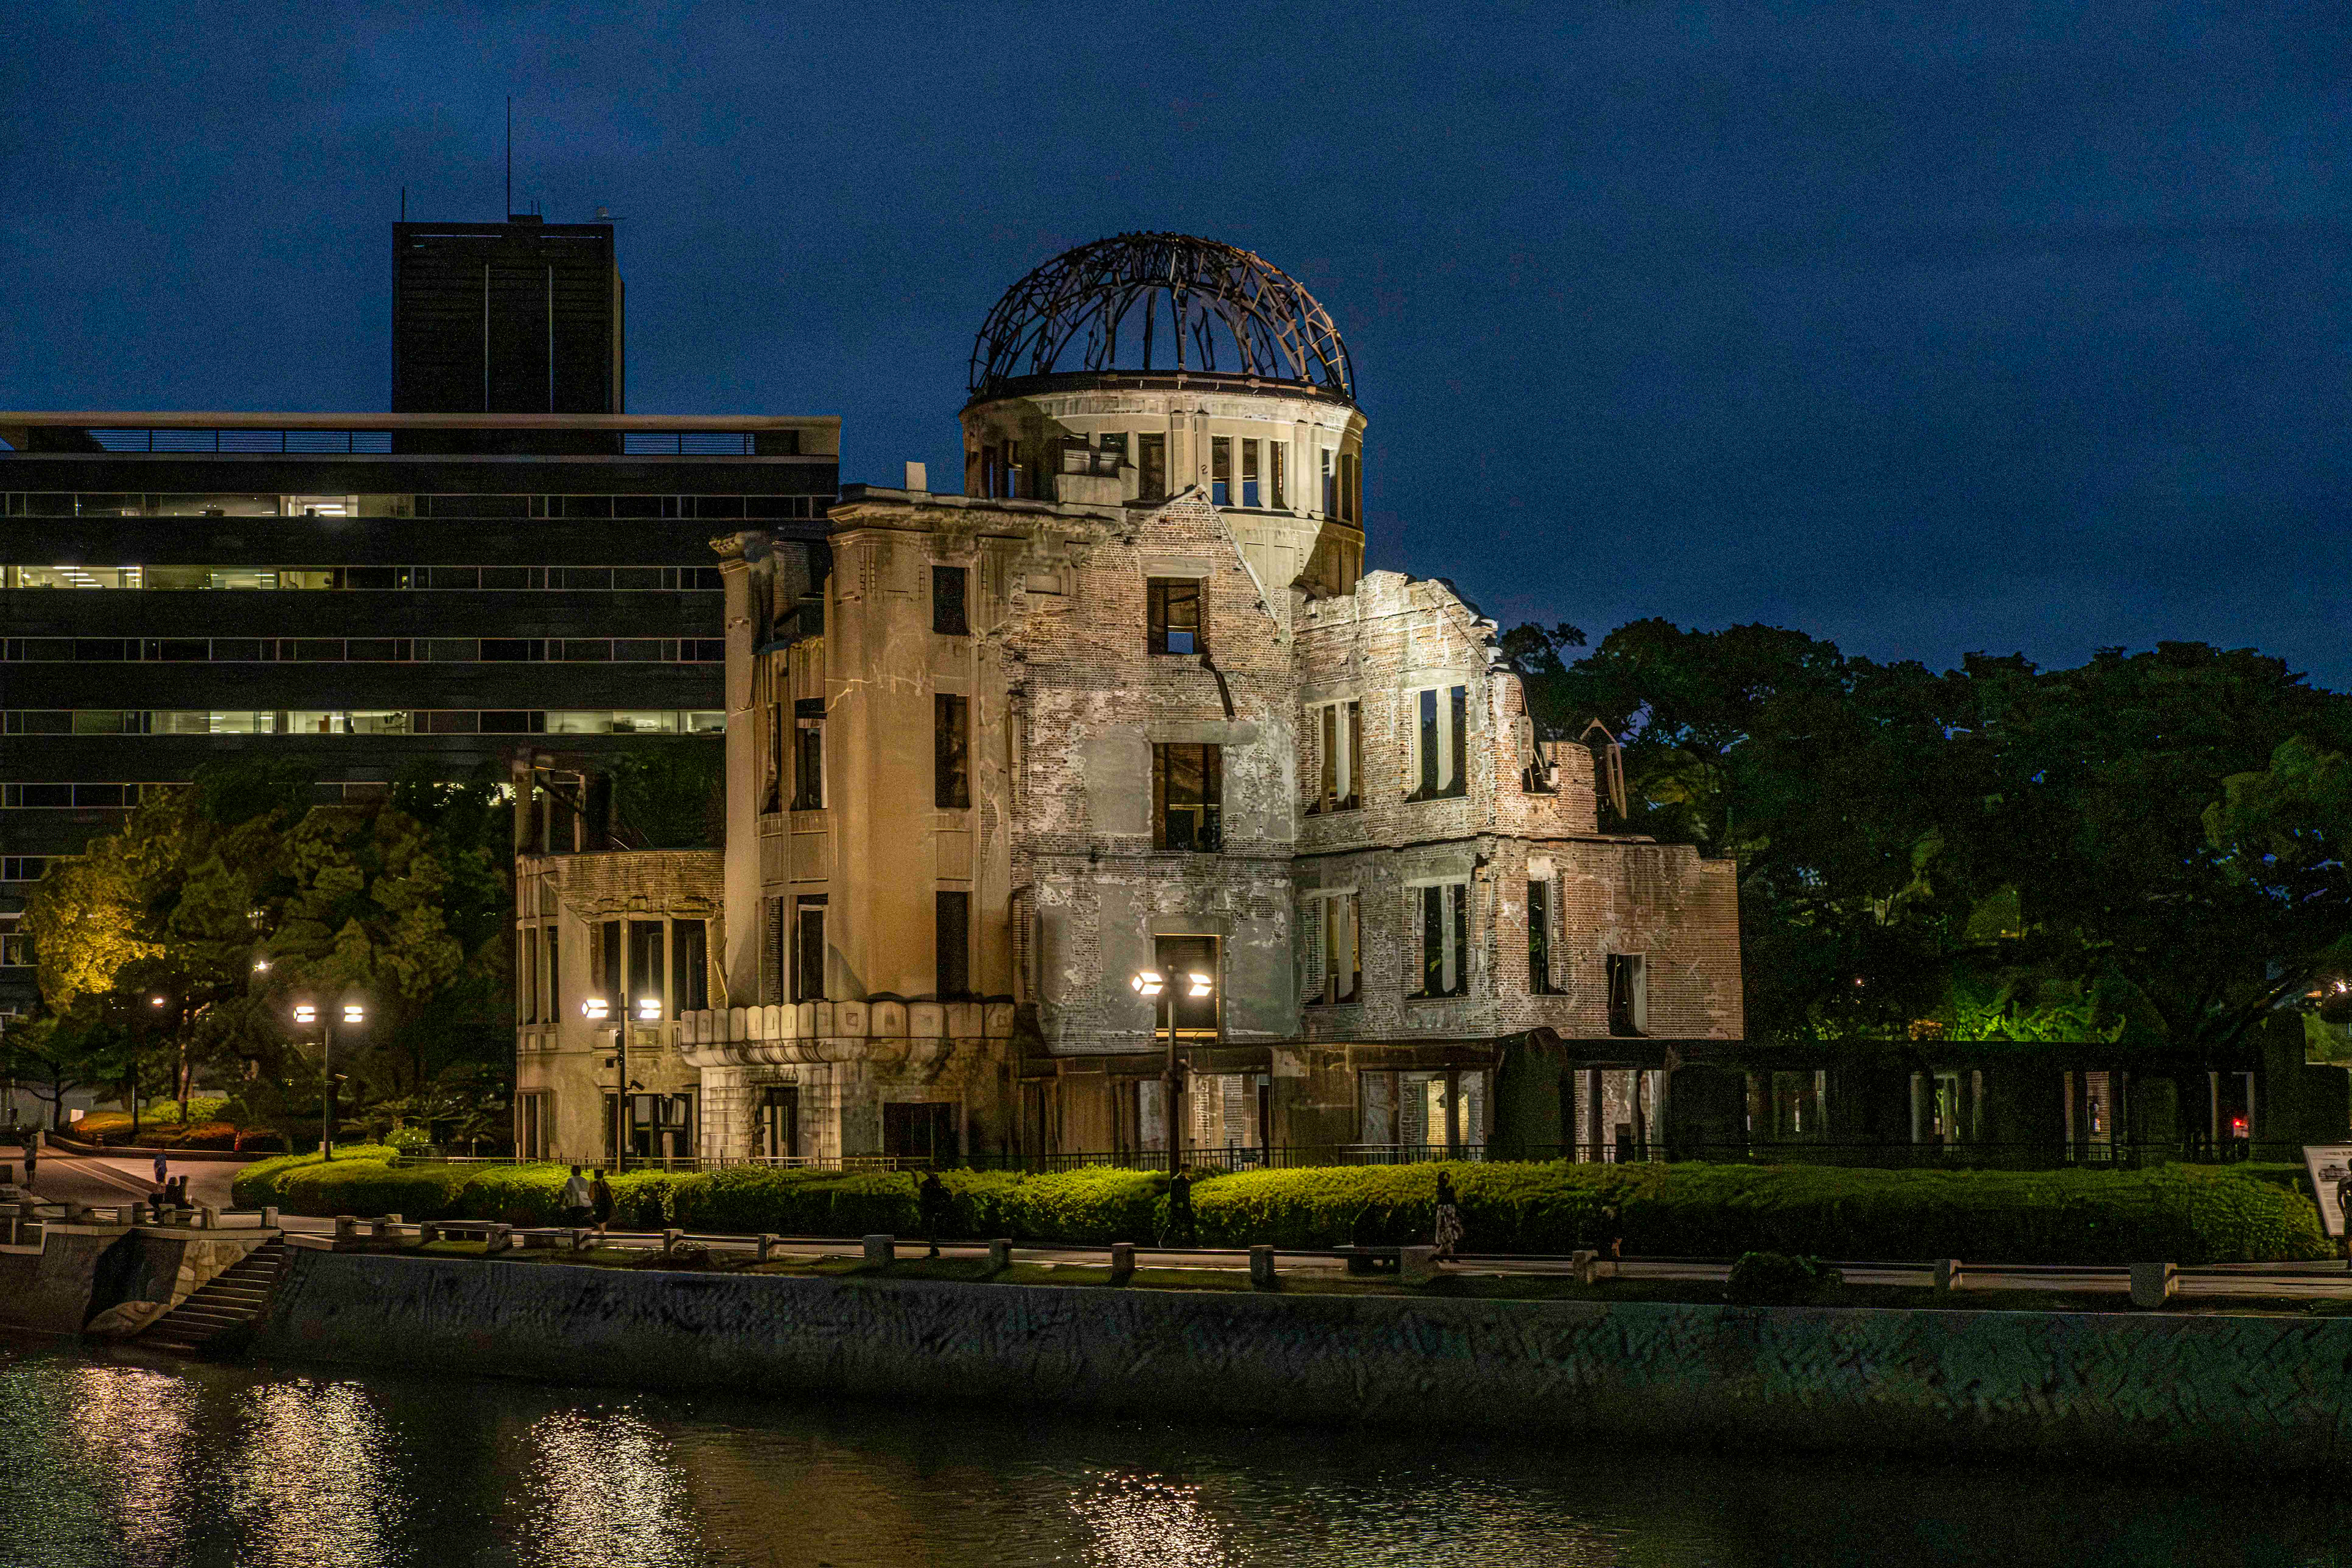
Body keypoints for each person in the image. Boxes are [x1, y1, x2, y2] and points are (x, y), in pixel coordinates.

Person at [1432, 1171, 1464, 1262]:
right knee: (1448, 1238)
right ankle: (1449, 1257)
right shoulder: (1444, 1190)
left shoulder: (1444, 1190)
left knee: (1448, 1238)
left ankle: (1439, 1255)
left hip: (1449, 1214)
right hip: (1446, 1215)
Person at [917, 1170, 949, 1259]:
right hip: (933, 1214)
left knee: (931, 1232)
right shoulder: (932, 1191)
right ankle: (934, 1249)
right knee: (932, 1232)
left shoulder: (927, 1192)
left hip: (930, 1214)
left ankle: (934, 1249)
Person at [1166, 1170, 1196, 1250]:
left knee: (1188, 1223)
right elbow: (1173, 1194)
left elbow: (1187, 1195)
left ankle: (1190, 1242)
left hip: (1185, 1205)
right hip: (1179, 1205)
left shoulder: (1187, 1182)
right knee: (1178, 1223)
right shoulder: (1176, 1181)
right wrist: (1176, 1203)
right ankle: (1178, 1241)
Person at [560, 1164, 594, 1228]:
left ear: (572, 1172)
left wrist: (564, 1204)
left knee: (574, 1222)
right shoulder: (584, 1180)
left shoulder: (571, 1180)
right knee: (582, 1222)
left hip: (574, 1204)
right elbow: (588, 1191)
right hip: (585, 1203)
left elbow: (567, 1193)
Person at [590, 1169, 616, 1240]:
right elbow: (612, 1194)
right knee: (604, 1218)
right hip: (606, 1204)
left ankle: (602, 1231)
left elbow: (592, 1195)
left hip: (598, 1203)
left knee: (598, 1218)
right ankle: (602, 1231)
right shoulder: (606, 1184)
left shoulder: (594, 1184)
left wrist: (591, 1202)